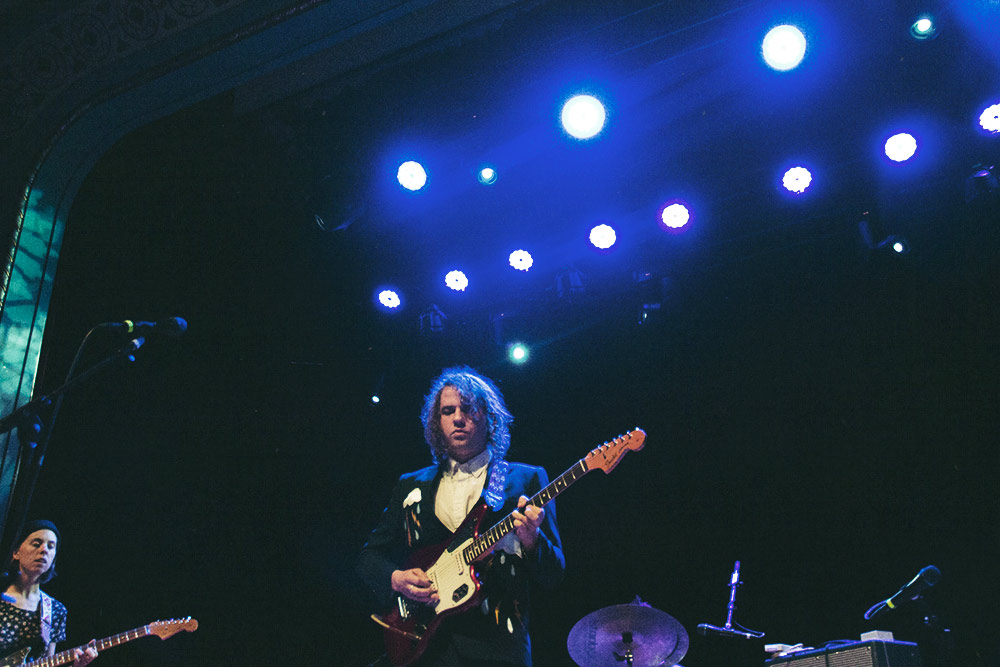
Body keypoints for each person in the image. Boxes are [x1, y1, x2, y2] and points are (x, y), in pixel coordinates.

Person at [357, 367, 565, 666]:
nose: (458, 417)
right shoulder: (412, 484)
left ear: (488, 417)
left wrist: (532, 541)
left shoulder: (525, 479)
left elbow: (554, 573)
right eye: (447, 410)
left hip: (497, 649)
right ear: (436, 422)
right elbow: (369, 558)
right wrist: (397, 578)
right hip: (424, 645)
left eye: (468, 409)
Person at [0, 520, 98, 667]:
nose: (44, 550)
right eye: (36, 544)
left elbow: (48, 662)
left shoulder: (55, 610)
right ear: (16, 552)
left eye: (51, 546)